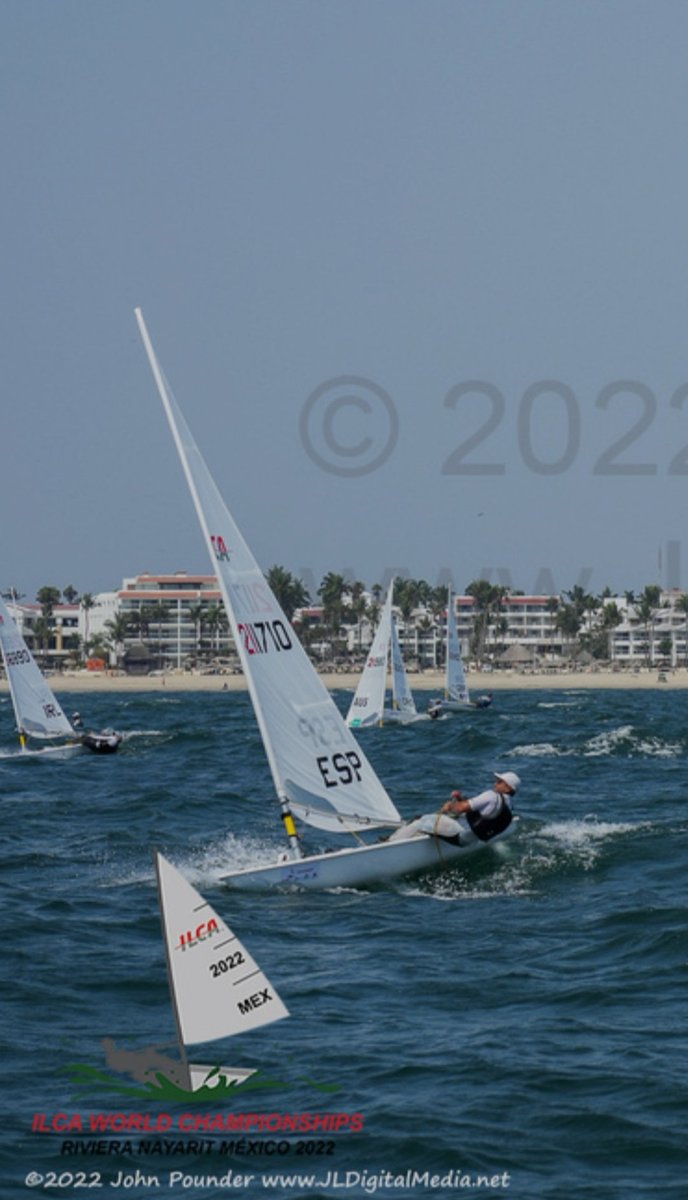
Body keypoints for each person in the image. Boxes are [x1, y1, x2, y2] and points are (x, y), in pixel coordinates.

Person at [440, 770, 520, 841]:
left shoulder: (492, 796)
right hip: (475, 839)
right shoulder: (509, 805)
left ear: (508, 788)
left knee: (429, 821)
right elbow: (481, 810)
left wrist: (449, 806)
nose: (495, 784)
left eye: (499, 782)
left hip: (460, 836)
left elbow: (460, 808)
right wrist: (460, 798)